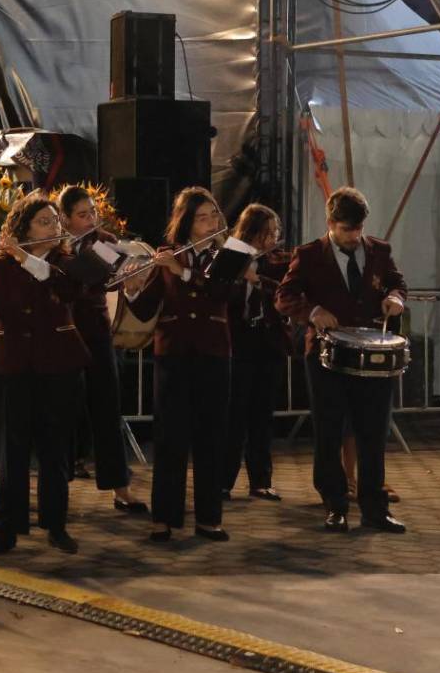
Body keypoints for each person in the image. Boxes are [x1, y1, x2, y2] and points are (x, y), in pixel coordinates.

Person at [0, 193, 88, 554]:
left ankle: (56, 524)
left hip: (57, 364)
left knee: (55, 449)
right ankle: (7, 527)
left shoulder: (67, 261)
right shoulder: (2, 264)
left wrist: (22, 255)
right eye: (43, 222)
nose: (52, 227)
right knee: (11, 450)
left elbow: (65, 289)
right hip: (9, 365)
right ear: (23, 226)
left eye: (54, 222)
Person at [276, 187, 408, 534]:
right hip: (326, 356)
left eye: (359, 228)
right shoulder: (308, 255)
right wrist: (313, 311)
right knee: (329, 432)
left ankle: (374, 509)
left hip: (372, 356)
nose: (355, 236)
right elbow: (284, 296)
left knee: (373, 433)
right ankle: (334, 505)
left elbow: (397, 282)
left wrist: (395, 297)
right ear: (330, 222)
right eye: (347, 229)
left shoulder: (379, 250)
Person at [124, 187, 234, 542]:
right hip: (173, 353)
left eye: (213, 216)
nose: (210, 222)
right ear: (185, 223)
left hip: (213, 352)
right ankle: (164, 517)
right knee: (170, 437)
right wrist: (132, 287)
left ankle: (208, 518)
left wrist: (183, 273)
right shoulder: (170, 256)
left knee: (211, 436)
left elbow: (220, 293)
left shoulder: (229, 254)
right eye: (202, 218)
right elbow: (145, 308)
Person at [56, 185, 144, 513]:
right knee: (62, 411)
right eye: (82, 214)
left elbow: (98, 275)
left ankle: (120, 488)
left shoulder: (104, 242)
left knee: (108, 408)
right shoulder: (52, 245)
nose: (91, 219)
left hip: (94, 331)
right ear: (63, 219)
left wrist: (129, 278)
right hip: (61, 333)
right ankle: (57, 492)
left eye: (92, 212)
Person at [221, 204, 290, 502]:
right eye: (266, 233)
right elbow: (219, 295)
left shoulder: (280, 262)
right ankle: (223, 481)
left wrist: (257, 279)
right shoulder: (230, 257)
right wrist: (239, 278)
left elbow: (286, 293)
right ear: (251, 232)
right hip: (238, 342)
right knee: (234, 416)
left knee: (262, 416)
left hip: (269, 343)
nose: (272, 239)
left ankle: (261, 480)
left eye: (275, 233)